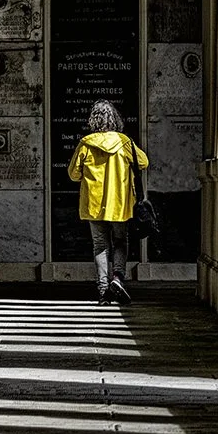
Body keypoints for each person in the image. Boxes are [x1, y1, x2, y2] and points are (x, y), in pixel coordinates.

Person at [67, 100, 149, 305]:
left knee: (100, 246)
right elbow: (144, 162)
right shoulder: (124, 142)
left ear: (93, 120)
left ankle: (103, 291)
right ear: (115, 119)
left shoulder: (85, 143)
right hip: (119, 203)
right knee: (121, 242)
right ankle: (118, 278)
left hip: (93, 204)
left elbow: (73, 174)